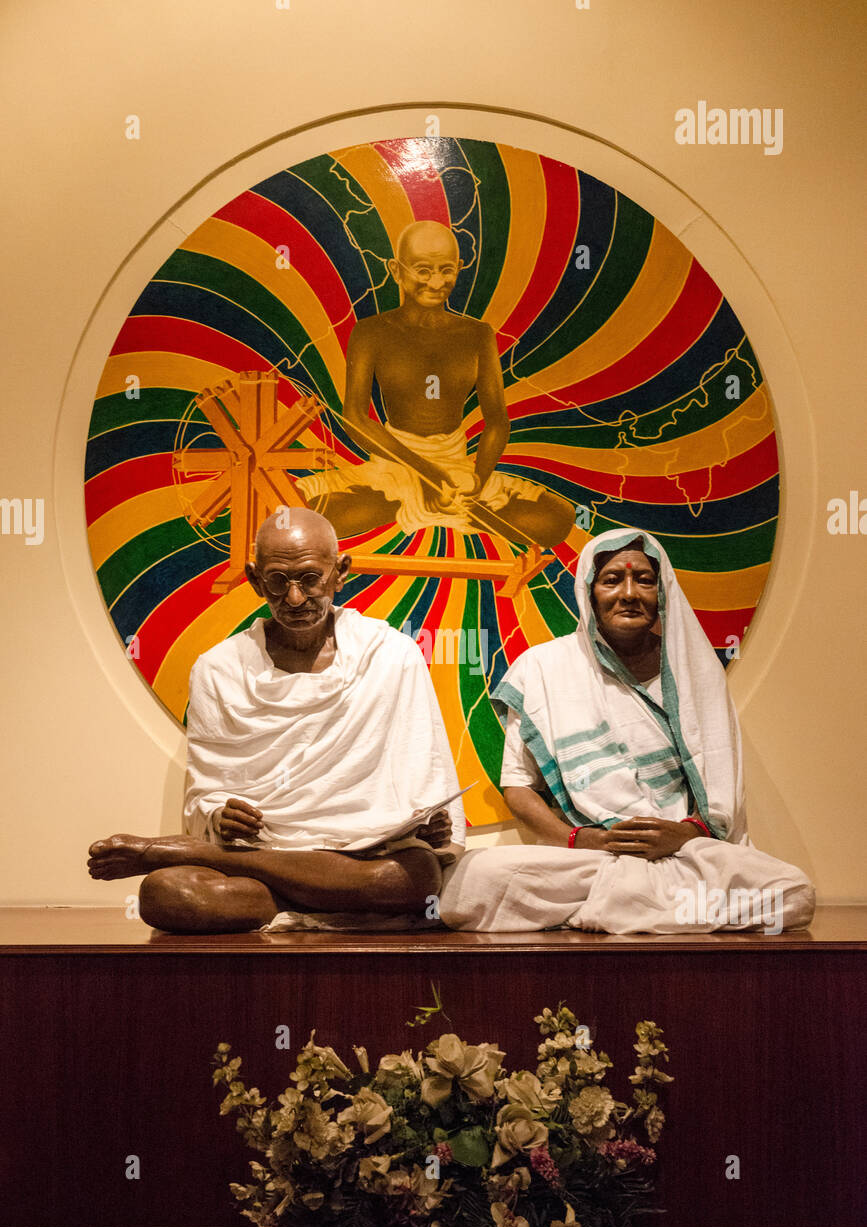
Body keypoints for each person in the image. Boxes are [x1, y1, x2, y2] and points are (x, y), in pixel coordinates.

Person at [87, 509, 465, 934]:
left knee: (414, 879)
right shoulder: (220, 668)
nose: (295, 598)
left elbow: (424, 771)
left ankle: (194, 859)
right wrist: (219, 814)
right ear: (253, 579)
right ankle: (312, 889)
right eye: (278, 581)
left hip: (367, 856)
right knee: (166, 894)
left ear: (340, 573)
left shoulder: (392, 655)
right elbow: (205, 796)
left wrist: (434, 821)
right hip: (271, 850)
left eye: (309, 578)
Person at [437, 527, 815, 934]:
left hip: (682, 855)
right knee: (472, 880)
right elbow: (518, 787)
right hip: (591, 857)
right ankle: (639, 907)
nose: (630, 593)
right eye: (612, 580)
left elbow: (720, 791)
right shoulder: (543, 668)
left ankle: (613, 908)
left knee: (789, 891)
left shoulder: (694, 670)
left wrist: (683, 835)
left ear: (663, 591)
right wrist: (581, 840)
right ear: (589, 591)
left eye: (645, 580)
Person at [298, 219, 573, 548]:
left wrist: (476, 482)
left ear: (458, 268)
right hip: (395, 465)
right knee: (299, 511)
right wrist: (425, 475)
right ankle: (441, 508)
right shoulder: (372, 331)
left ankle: (459, 508)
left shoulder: (476, 334)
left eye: (446, 270)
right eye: (423, 271)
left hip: (459, 470)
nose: (436, 282)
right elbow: (355, 417)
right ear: (396, 271)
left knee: (558, 517)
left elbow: (497, 421)